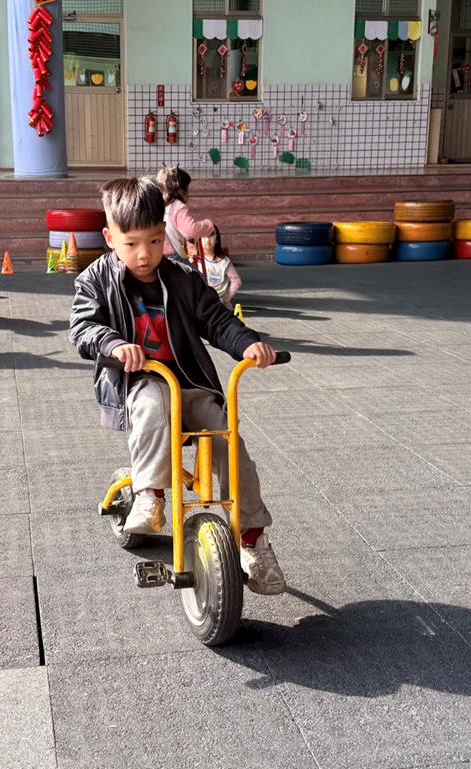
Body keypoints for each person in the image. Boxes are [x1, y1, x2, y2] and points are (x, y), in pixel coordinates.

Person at [69, 177, 287, 595]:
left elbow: (217, 320)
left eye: (155, 241)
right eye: (132, 243)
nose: (145, 253)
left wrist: (248, 344)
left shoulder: (182, 278)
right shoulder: (95, 280)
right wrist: (113, 344)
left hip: (189, 383)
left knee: (229, 443)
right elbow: (83, 327)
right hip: (140, 383)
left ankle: (253, 538)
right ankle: (150, 494)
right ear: (109, 238)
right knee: (153, 403)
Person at [155, 164, 215, 263]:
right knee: (195, 273)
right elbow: (191, 230)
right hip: (173, 258)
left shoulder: (158, 206)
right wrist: (208, 225)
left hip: (157, 257)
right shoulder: (177, 207)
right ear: (181, 189)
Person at [185, 226, 242, 307]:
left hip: (220, 305)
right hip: (201, 304)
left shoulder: (224, 262)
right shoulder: (194, 260)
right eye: (204, 236)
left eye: (211, 236)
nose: (207, 240)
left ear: (217, 239)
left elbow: (236, 281)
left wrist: (226, 299)